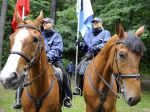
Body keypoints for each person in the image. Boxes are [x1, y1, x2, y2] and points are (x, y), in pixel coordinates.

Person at [13, 18, 72, 109]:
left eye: (47, 23)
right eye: (44, 23)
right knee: (24, 74)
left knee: (63, 73)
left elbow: (57, 50)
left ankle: (67, 97)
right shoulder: (39, 35)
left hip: (54, 60)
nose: (45, 24)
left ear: (52, 24)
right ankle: (18, 99)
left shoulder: (57, 36)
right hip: (38, 60)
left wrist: (47, 57)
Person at [73, 17, 111, 96]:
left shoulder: (105, 33)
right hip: (89, 55)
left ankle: (117, 87)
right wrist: (80, 44)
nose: (95, 24)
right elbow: (86, 47)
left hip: (101, 56)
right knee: (78, 69)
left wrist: (96, 47)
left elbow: (106, 44)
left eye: (97, 22)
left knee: (113, 68)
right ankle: (79, 88)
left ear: (101, 23)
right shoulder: (88, 33)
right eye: (94, 23)